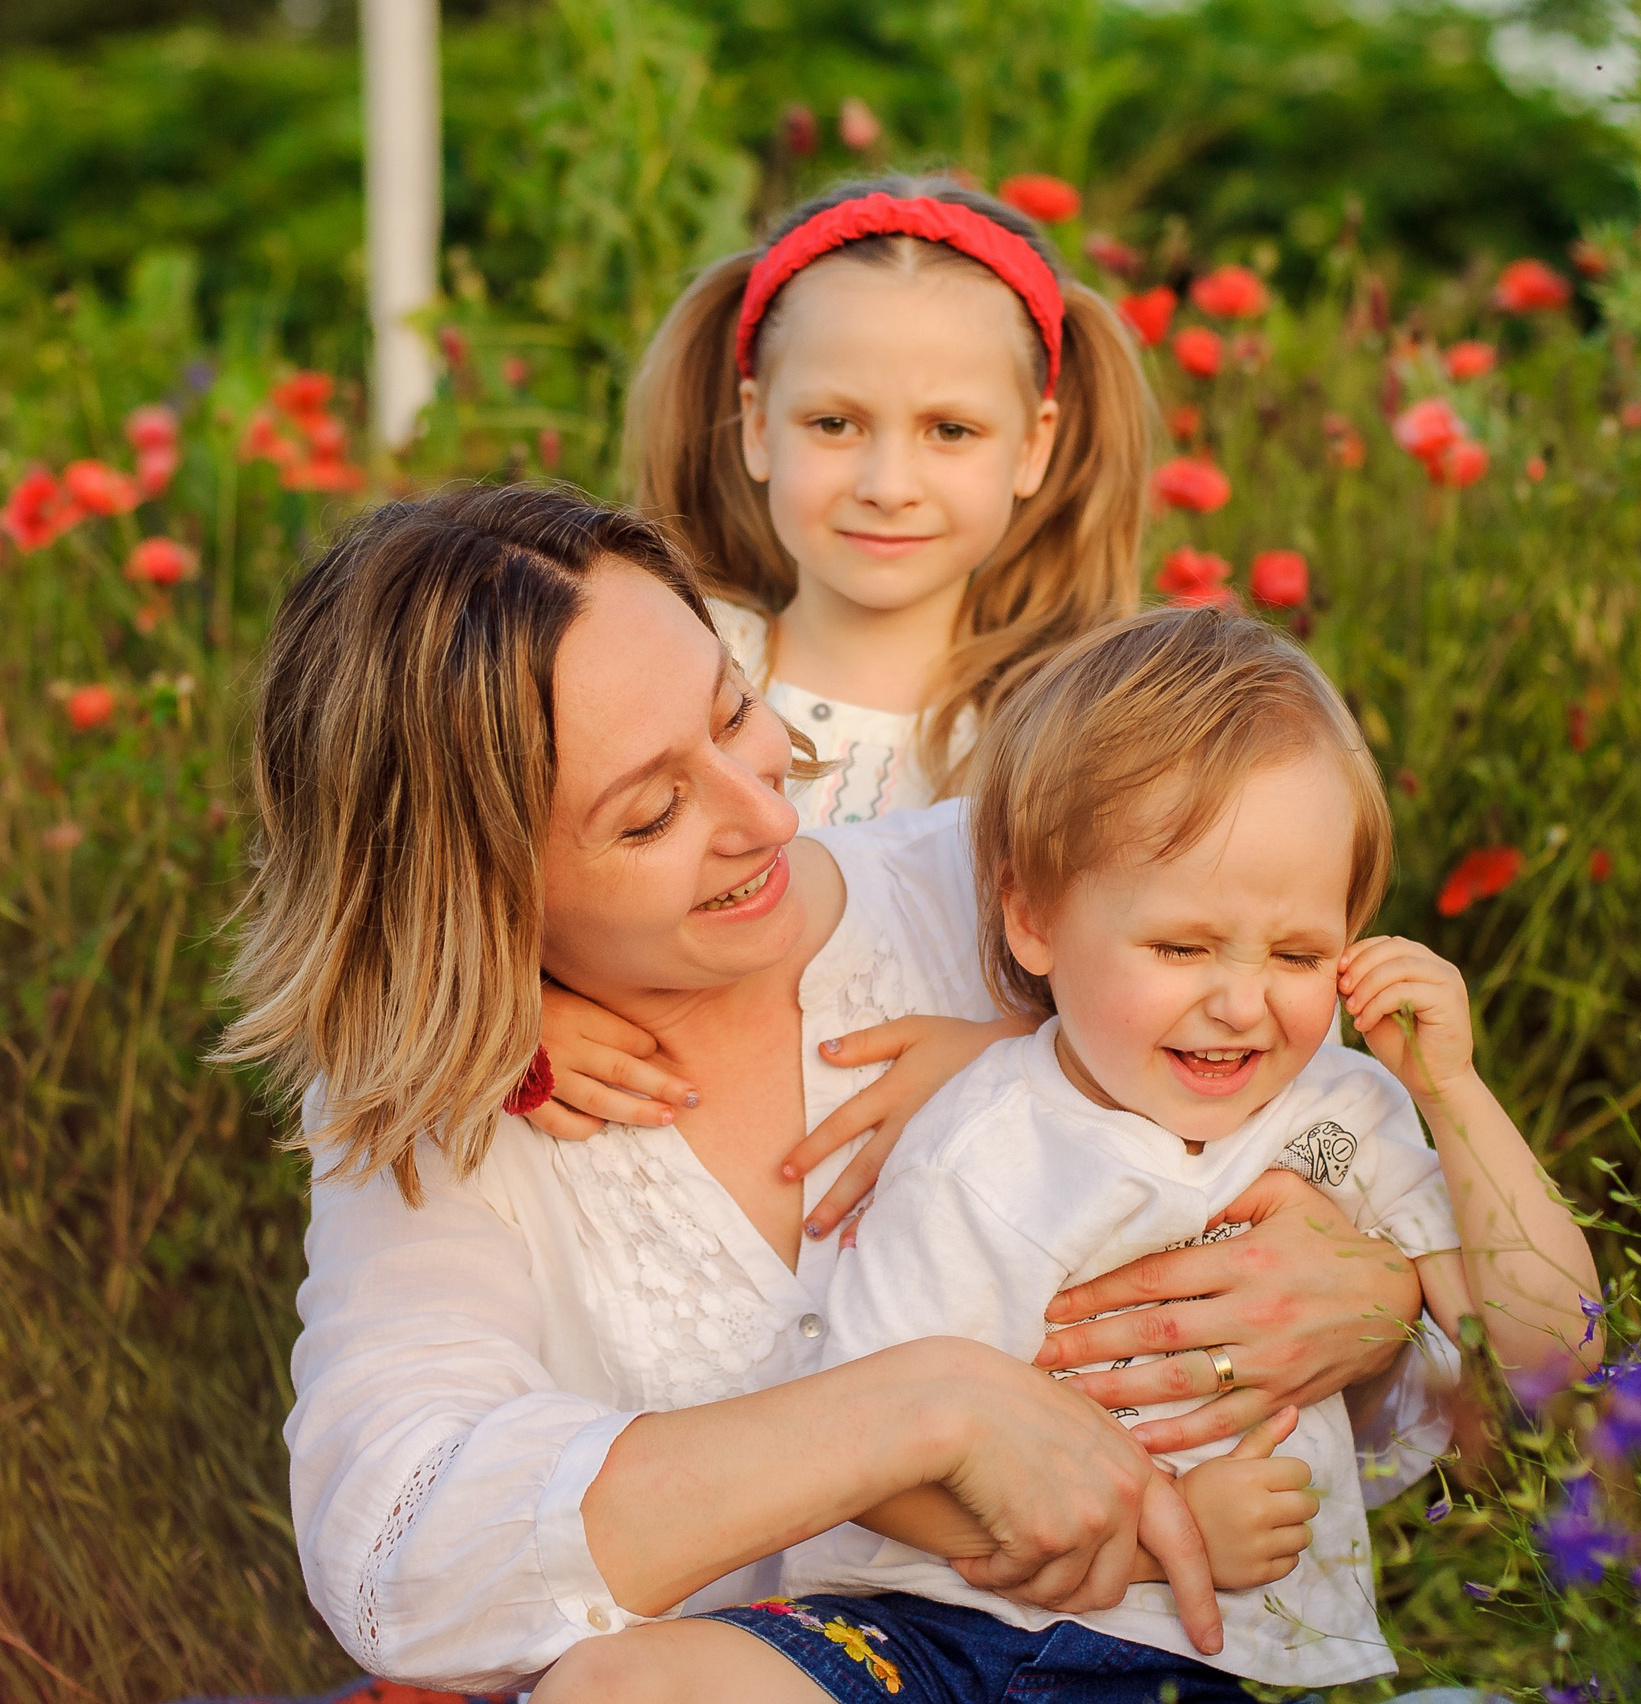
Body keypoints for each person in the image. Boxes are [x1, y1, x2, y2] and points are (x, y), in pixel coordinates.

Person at [216, 485, 1447, 1696]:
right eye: (650, 816)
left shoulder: (1027, 887)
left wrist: (1388, 1299)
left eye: (734, 707)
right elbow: (398, 1561)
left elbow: (1467, 1367)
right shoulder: (463, 1112)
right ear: (479, 892)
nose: (763, 808)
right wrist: (923, 1410)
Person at [538, 606, 1601, 1702]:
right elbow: (869, 1472)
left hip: (1189, 1666)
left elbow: (1549, 1345)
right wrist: (1165, 1532)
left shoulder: (1342, 1119)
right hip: (929, 1637)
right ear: (1033, 921)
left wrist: (1456, 1097)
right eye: (1180, 946)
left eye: (1297, 952)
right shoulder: (989, 1145)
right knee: (620, 1684)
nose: (1239, 1003)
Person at [534, 177, 1153, 1231]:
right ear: (756, 426)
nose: (886, 481)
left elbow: (1193, 988)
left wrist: (1006, 1055)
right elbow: (484, 867)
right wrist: (516, 1013)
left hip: (953, 1237)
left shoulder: (1075, 734)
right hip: (662, 1212)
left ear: (1034, 446)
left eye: (950, 431)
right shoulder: (663, 666)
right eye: (834, 422)